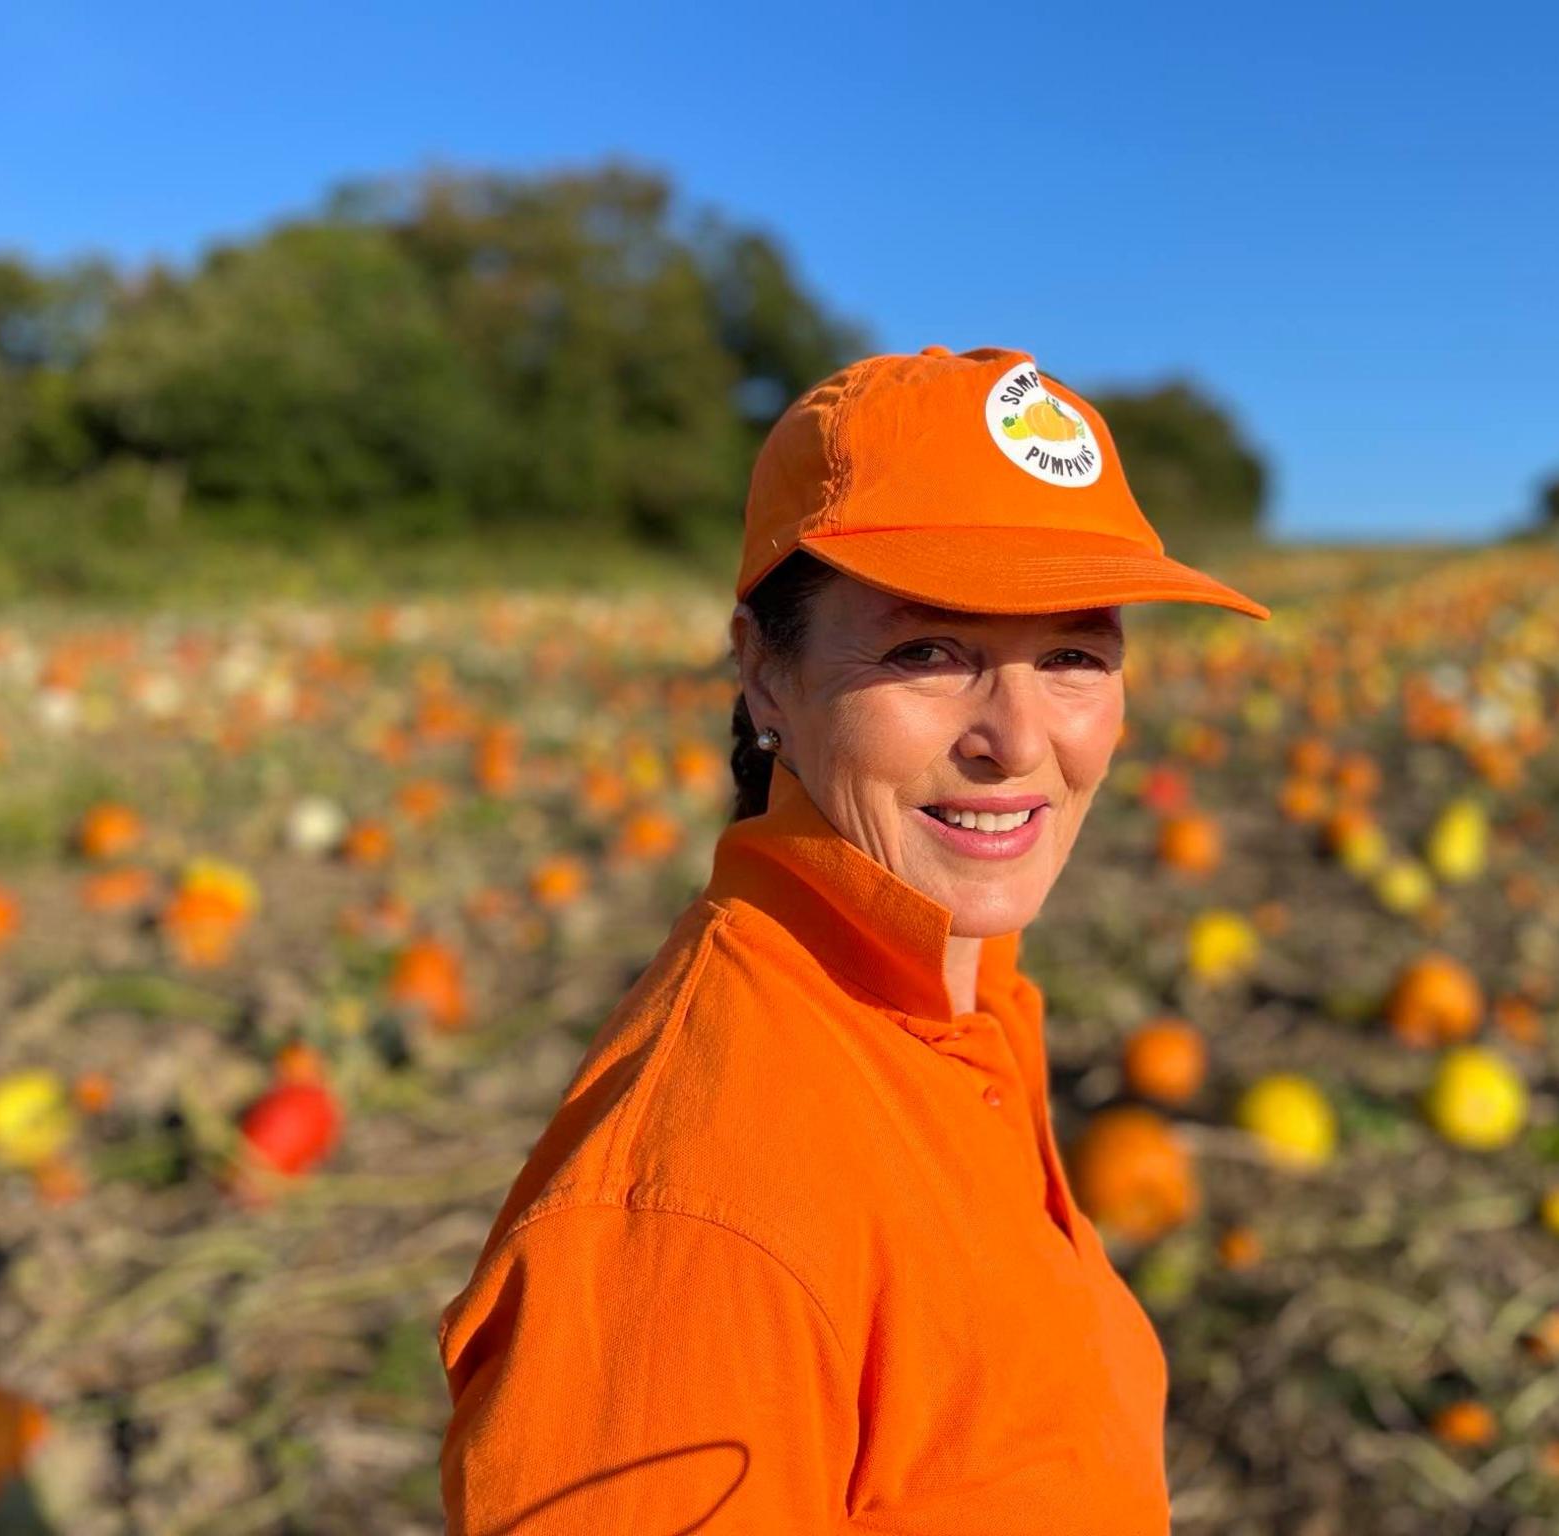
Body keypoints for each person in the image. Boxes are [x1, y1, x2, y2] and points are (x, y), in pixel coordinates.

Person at [437, 344, 1270, 1533]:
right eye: (928, 651)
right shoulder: (697, 1222)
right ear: (764, 674)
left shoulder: (955, 1001)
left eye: (1074, 656)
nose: (1018, 739)